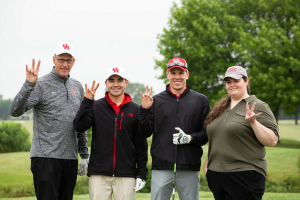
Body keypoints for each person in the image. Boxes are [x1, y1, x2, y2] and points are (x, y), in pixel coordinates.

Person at [9, 43, 89, 200]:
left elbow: (80, 125)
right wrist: (28, 85)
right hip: (45, 158)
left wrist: (84, 154)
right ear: (54, 59)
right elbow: (15, 111)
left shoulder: (78, 87)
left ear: (74, 61)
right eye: (61, 59)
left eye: (69, 60)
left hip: (70, 159)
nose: (65, 64)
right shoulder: (40, 84)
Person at [139, 58, 210, 200]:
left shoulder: (200, 100)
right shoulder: (156, 100)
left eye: (181, 73)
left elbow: (208, 134)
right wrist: (145, 110)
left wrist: (190, 138)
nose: (177, 77)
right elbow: (145, 132)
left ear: (187, 74)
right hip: (162, 166)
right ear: (167, 74)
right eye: (173, 73)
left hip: (189, 165)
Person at [203, 66, 279, 200]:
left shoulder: (259, 106)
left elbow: (272, 140)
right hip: (217, 175)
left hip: (244, 175)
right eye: (228, 82)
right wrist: (208, 168)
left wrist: (254, 123)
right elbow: (216, 140)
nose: (232, 84)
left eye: (236, 80)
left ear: (246, 81)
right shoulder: (220, 109)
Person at [73, 67, 148, 200]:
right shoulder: (95, 106)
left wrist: (141, 172)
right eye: (111, 80)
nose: (115, 84)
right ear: (106, 83)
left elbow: (141, 143)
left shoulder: (135, 110)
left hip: (126, 173)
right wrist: (87, 101)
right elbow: (79, 126)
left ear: (126, 82)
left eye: (119, 80)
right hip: (98, 173)